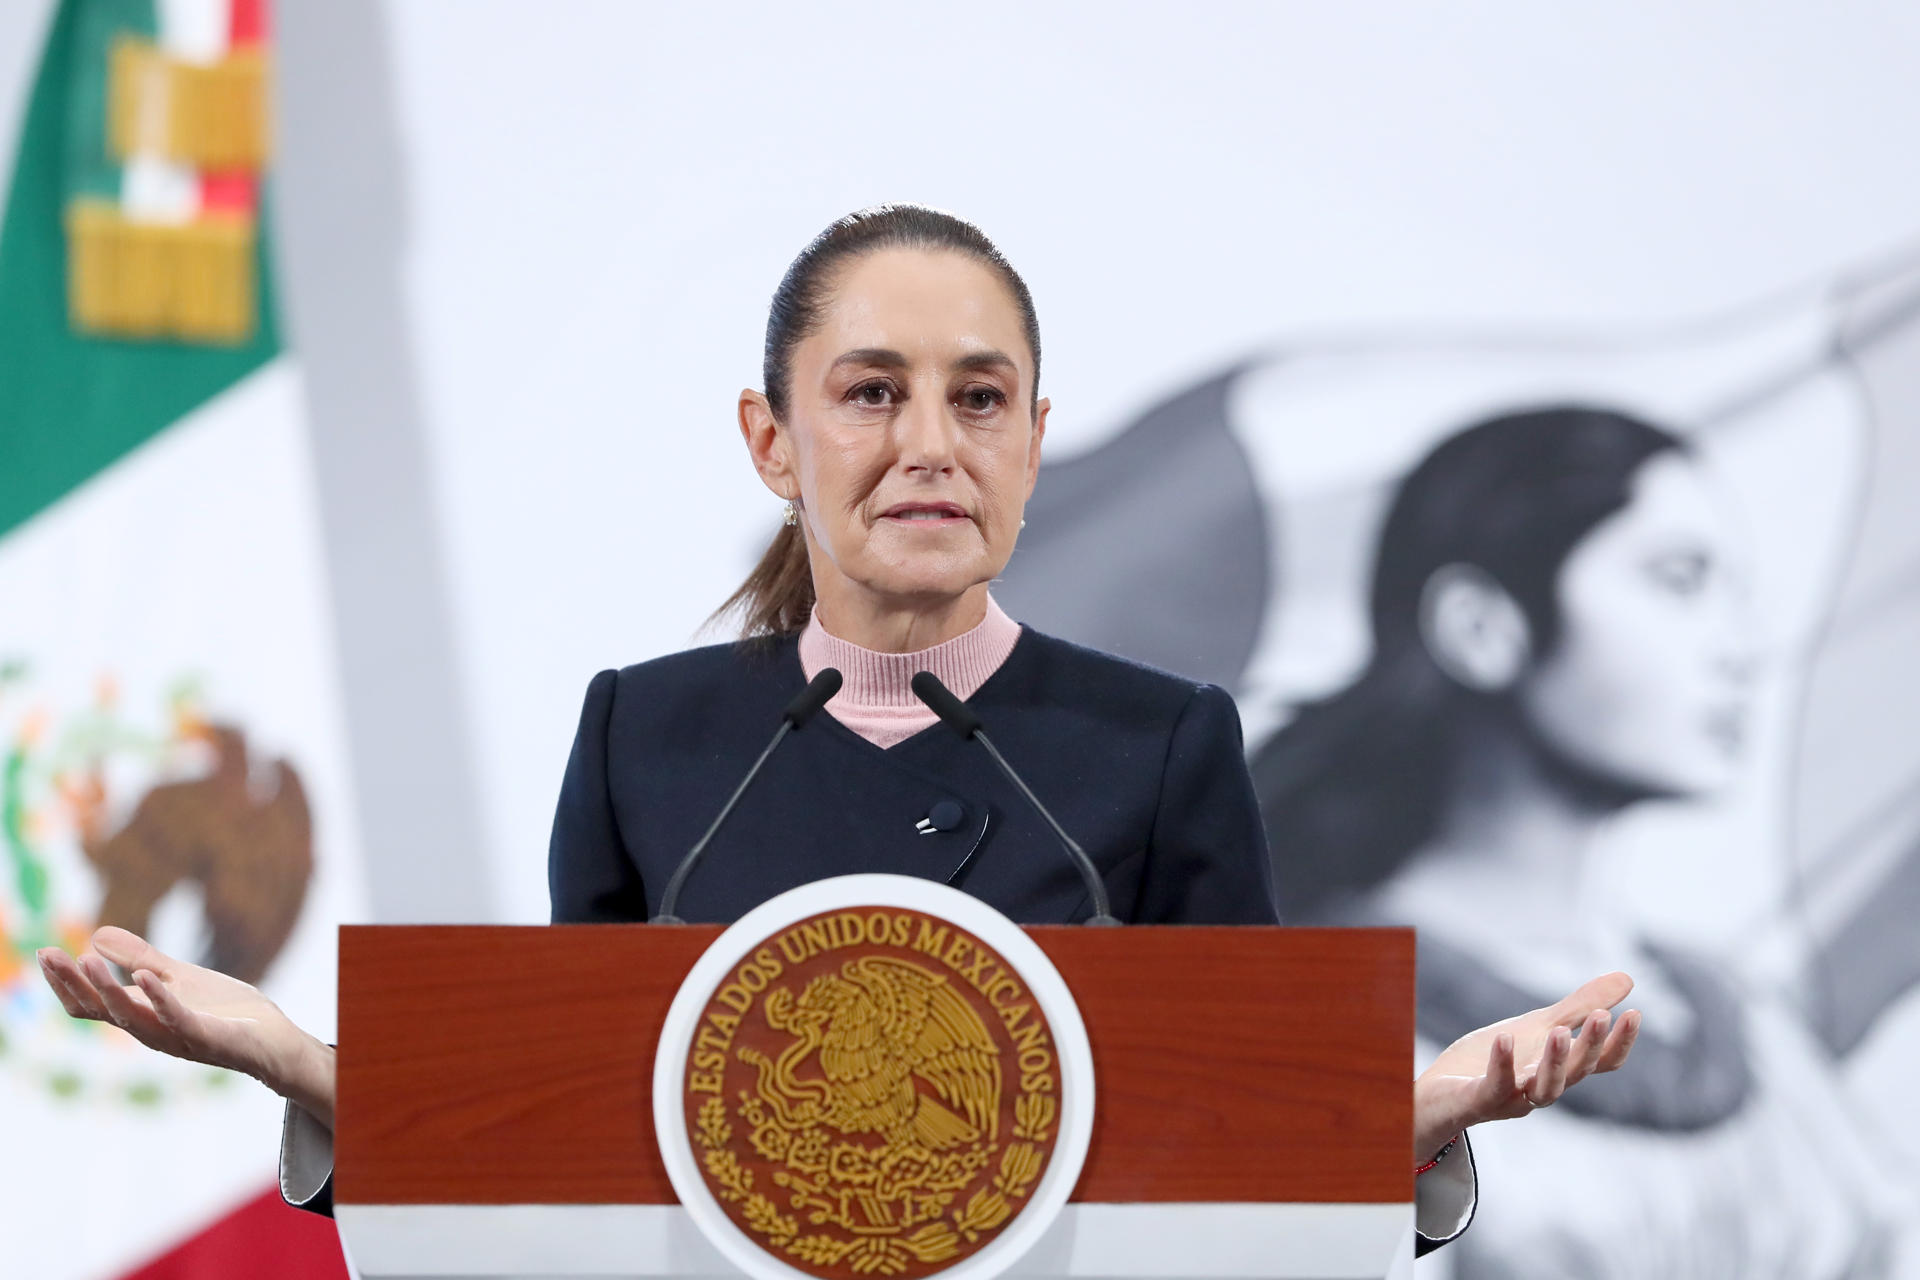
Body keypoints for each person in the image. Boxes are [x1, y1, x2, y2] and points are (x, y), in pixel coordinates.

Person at [34, 206, 1640, 1258]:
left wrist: (1412, 1119)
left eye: (980, 398)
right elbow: (568, 1153)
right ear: (771, 439)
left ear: (1035, 443)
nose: (930, 443)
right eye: (871, 392)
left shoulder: (1164, 743)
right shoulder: (645, 734)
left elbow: (1238, 1164)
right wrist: (304, 1066)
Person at [1253, 406, 1912, 1276]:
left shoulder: (1747, 1025)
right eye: (1679, 580)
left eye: (1735, 594)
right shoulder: (1312, 1024)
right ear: (1481, 627)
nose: (1742, 647)